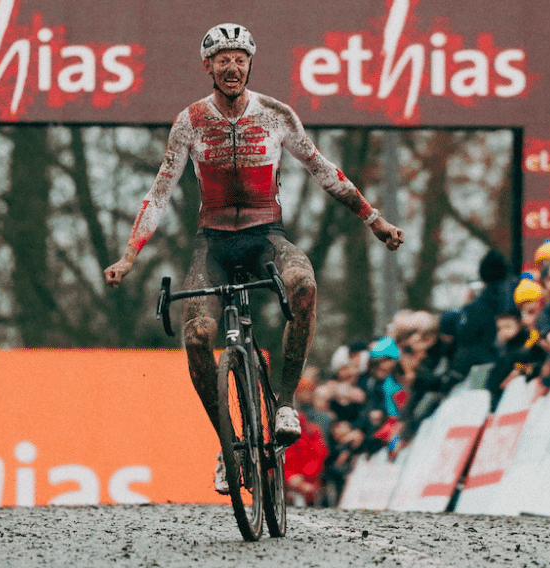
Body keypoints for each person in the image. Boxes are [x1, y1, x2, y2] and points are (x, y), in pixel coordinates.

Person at [102, 23, 404, 494]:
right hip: (214, 243)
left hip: (266, 236)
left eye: (240, 57)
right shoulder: (190, 121)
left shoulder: (277, 114)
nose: (232, 66)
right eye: (222, 58)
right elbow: (158, 193)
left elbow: (324, 169)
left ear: (250, 64)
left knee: (303, 284)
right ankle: (227, 444)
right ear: (207, 67)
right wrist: (128, 256)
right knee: (199, 335)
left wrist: (374, 219)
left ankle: (284, 403)